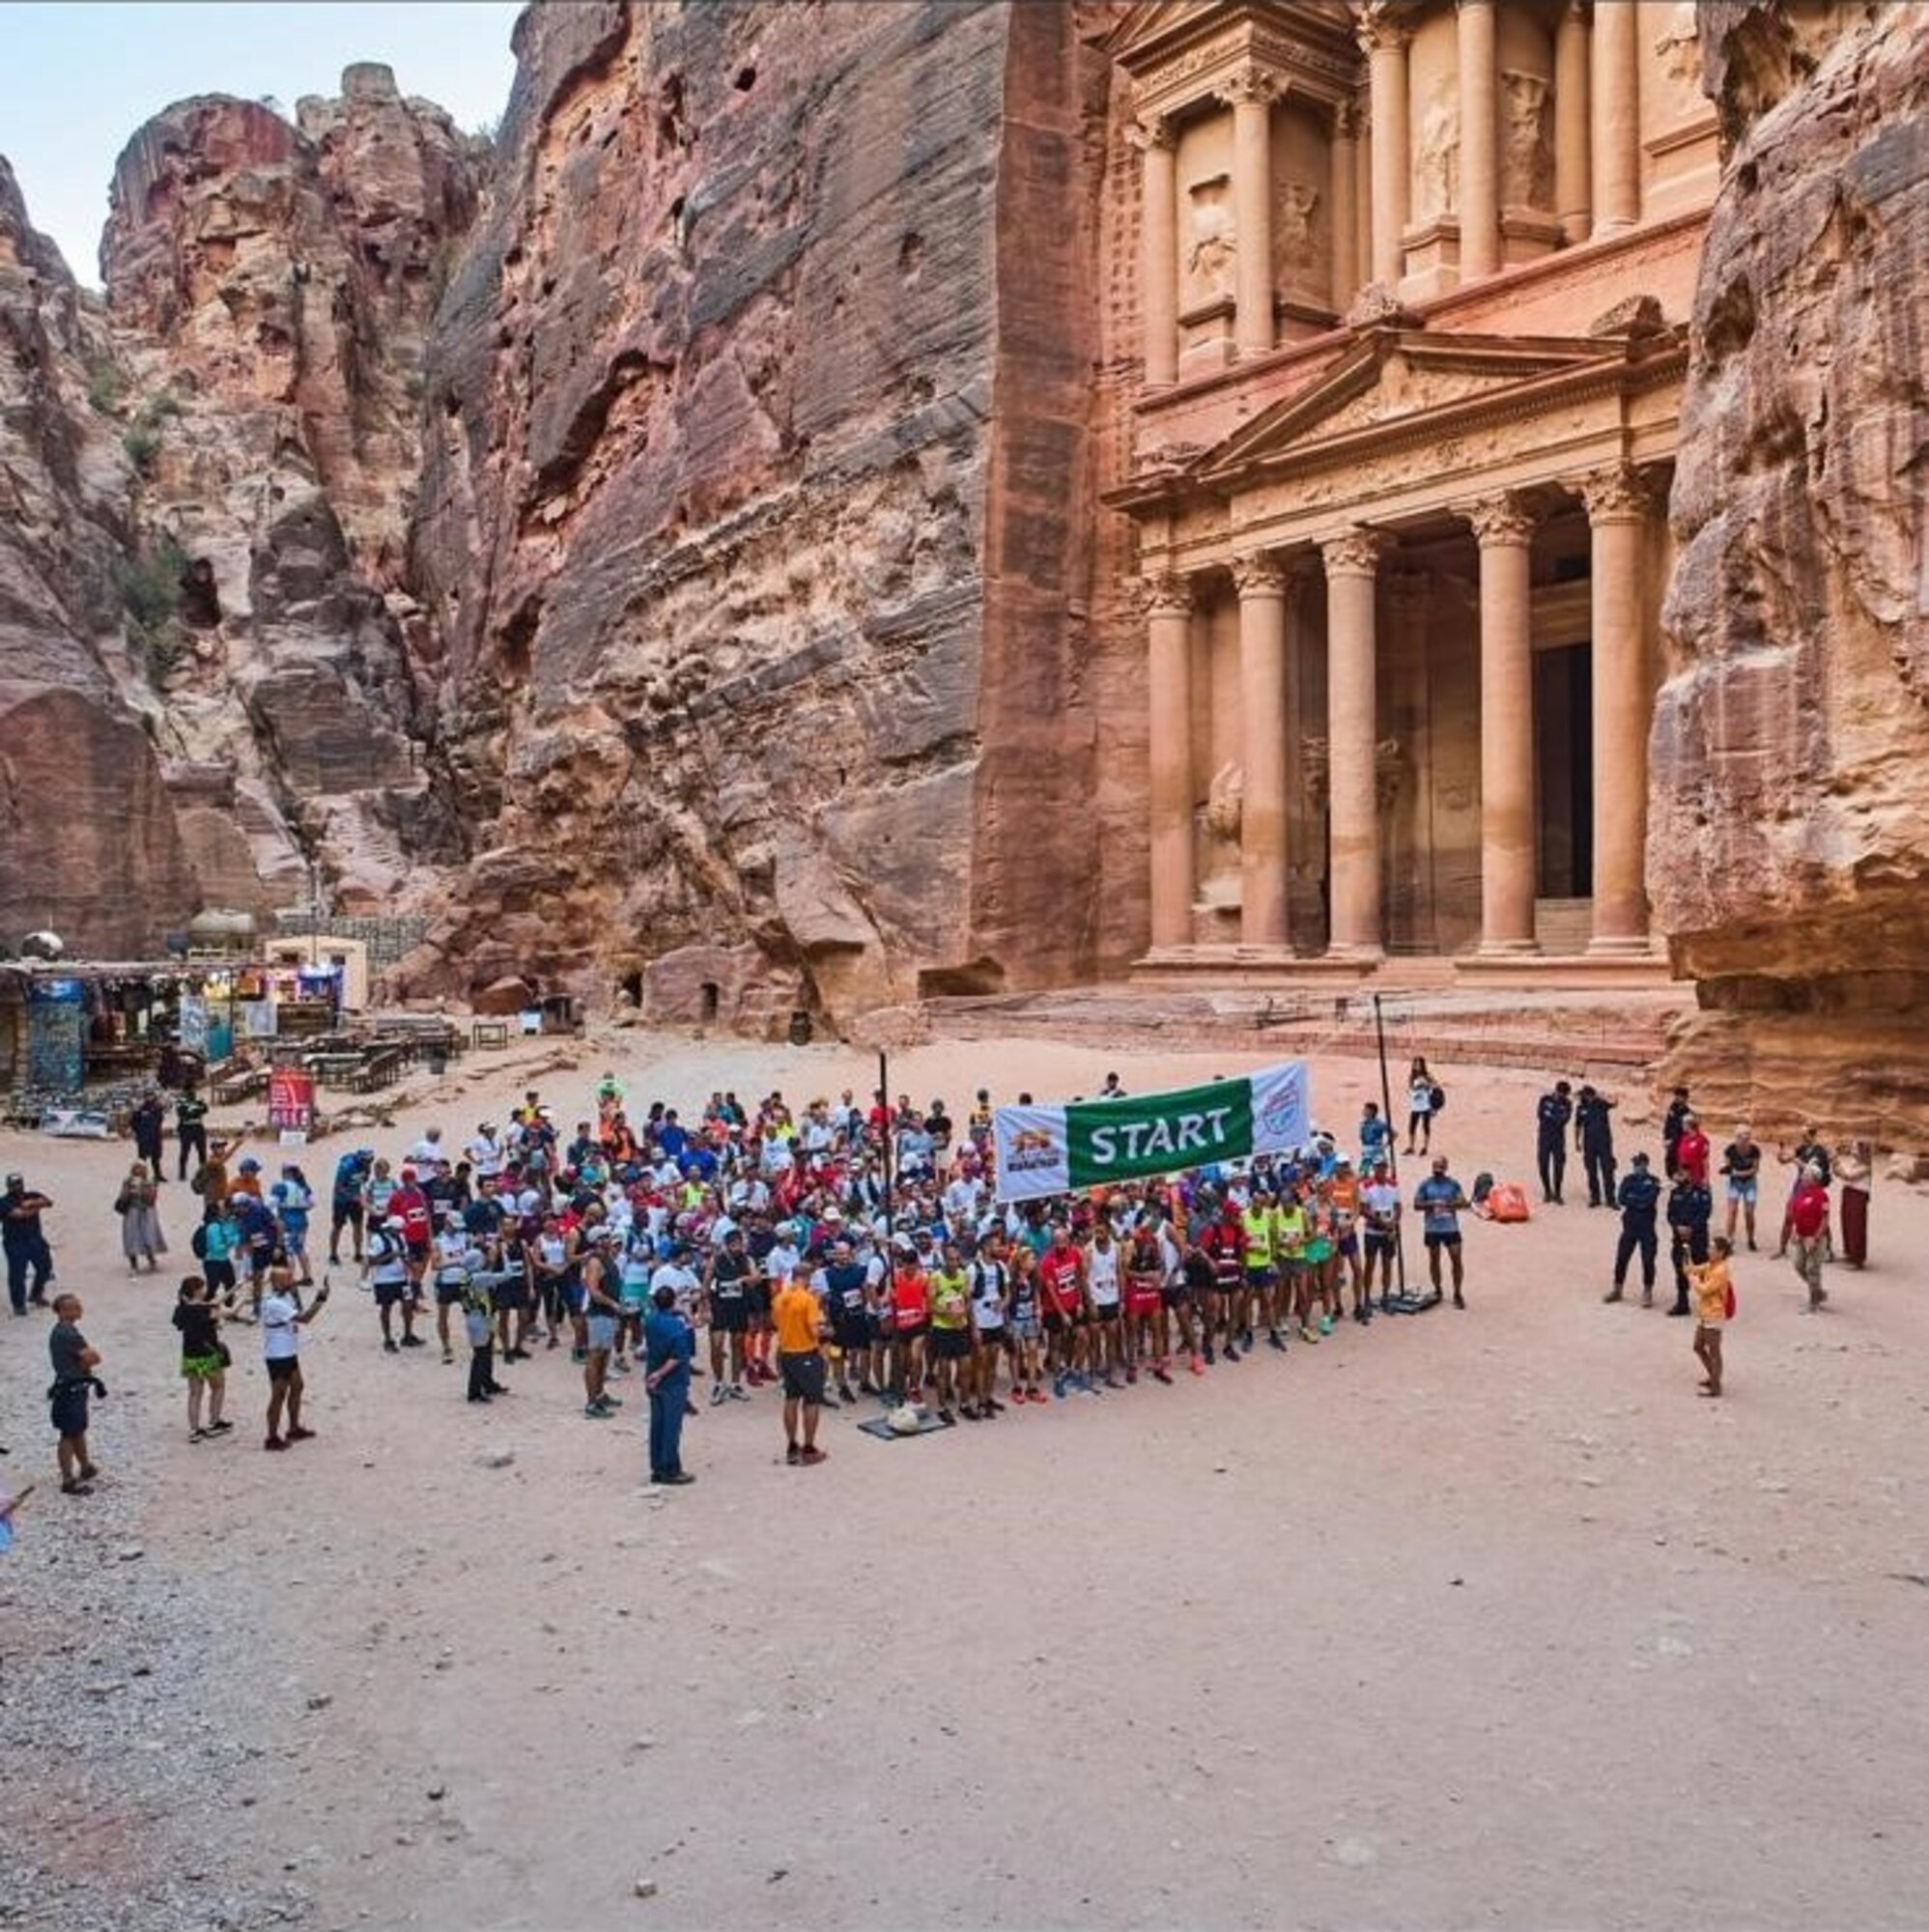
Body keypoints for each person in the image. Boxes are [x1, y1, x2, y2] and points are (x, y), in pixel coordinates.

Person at [261, 1264, 328, 1450]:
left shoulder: (285, 1296)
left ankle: (293, 1427)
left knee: (297, 1386)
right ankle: (272, 1437)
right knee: (278, 1394)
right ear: (276, 1282)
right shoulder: (274, 1303)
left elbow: (297, 1308)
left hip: (288, 1350)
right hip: (277, 1353)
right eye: (288, 1280)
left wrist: (295, 1293)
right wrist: (320, 1300)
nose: (292, 1282)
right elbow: (304, 1318)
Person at [772, 1266, 829, 1465]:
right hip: (806, 1353)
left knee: (791, 1399)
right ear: (805, 1278)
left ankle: (791, 1445)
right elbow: (815, 1332)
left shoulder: (779, 1299)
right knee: (812, 1401)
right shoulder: (808, 1299)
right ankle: (809, 1447)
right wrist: (826, 1330)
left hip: (787, 1354)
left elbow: (776, 1323)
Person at [643, 1283, 697, 1485]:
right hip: (671, 1381)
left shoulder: (650, 1321)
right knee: (671, 1427)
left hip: (652, 1376)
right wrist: (660, 1374)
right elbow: (676, 1357)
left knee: (657, 1424)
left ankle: (657, 1467)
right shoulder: (676, 1326)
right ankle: (670, 1469)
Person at [48, 1293, 101, 1495]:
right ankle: (68, 1478)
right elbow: (92, 1357)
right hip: (71, 1387)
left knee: (77, 1429)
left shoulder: (63, 1331)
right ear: (61, 1311)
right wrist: (88, 1359)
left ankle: (85, 1466)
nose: (78, 1309)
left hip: (72, 1386)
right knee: (69, 1433)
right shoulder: (69, 1334)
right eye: (73, 1307)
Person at [173, 1275, 234, 1441]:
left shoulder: (181, 1309)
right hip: (209, 1355)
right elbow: (227, 1313)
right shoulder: (207, 1310)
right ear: (198, 1291)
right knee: (218, 1387)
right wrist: (243, 1299)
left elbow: (179, 1323)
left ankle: (194, 1429)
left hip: (190, 1356)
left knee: (194, 1394)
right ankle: (214, 1422)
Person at [1411, 1156, 1469, 1308]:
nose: (1438, 1173)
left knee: (1456, 1257)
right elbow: (1416, 1204)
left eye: (1441, 1170)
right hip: (1432, 1228)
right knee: (1434, 1259)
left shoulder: (1453, 1184)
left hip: (1450, 1227)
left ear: (1445, 1169)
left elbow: (1463, 1202)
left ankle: (1457, 1292)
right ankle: (1438, 1289)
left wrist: (1449, 1204)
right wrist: (1431, 1204)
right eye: (1435, 1170)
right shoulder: (1425, 1184)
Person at [1605, 1151, 1661, 1305]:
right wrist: (1638, 1200)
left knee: (1648, 1260)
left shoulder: (1654, 1181)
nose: (1636, 1167)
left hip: (1647, 1228)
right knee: (1621, 1258)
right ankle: (1617, 1289)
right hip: (1630, 1226)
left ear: (1645, 1164)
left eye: (1638, 1164)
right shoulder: (1628, 1179)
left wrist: (1634, 1199)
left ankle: (1648, 1291)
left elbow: (1648, 1201)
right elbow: (1621, 1199)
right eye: (1635, 1164)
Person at [1688, 1236, 1734, 1398]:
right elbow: (1691, 1269)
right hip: (1706, 1314)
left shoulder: (1721, 1270)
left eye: (1712, 1248)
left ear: (1721, 1253)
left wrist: (1692, 1279)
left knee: (1714, 1352)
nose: (1708, 1250)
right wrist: (1686, 1254)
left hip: (1714, 1316)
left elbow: (1703, 1289)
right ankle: (1714, 1378)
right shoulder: (1711, 1265)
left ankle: (1716, 1386)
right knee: (1698, 1346)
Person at [4, 1174, 55, 1315]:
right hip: (15, 1242)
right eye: (13, 1185)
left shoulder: (32, 1194)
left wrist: (31, 1204)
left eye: (18, 1184)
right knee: (17, 1274)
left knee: (45, 1267)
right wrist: (37, 1206)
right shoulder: (4, 1202)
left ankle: (36, 1294)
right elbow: (19, 1214)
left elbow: (49, 1202)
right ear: (8, 1186)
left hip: (35, 1239)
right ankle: (18, 1305)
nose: (16, 1187)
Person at [1665, 1167, 1713, 1319]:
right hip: (1679, 1238)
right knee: (1680, 1269)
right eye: (1680, 1173)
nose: (1680, 1176)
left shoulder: (1703, 1193)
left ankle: (1708, 1303)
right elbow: (1670, 1214)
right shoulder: (1675, 1193)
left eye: (1684, 1173)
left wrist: (1691, 1228)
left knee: (1702, 1269)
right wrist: (1677, 1227)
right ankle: (1682, 1303)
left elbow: (1705, 1213)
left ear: (1692, 1175)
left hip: (1697, 1237)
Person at [1786, 1164, 1831, 1311]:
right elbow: (1795, 1214)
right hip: (1801, 1235)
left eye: (1806, 1175)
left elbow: (1825, 1219)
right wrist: (1794, 1230)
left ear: (1815, 1179)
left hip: (1815, 1237)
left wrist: (1816, 1238)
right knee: (1799, 1265)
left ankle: (1814, 1300)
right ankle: (1818, 1291)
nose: (1803, 1177)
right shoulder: (1800, 1193)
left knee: (1812, 1268)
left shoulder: (1822, 1195)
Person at [113, 1160, 165, 1274]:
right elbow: (122, 1197)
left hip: (147, 1213)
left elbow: (151, 1200)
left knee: (148, 1236)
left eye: (141, 1169)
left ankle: (151, 1258)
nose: (139, 1171)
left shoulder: (149, 1181)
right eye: (137, 1168)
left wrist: (148, 1189)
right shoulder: (128, 1181)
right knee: (132, 1238)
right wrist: (129, 1191)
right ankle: (133, 1263)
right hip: (132, 1213)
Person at [1719, 1125, 1763, 1250]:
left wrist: (1738, 1173)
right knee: (1732, 1211)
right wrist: (1729, 1171)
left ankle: (1750, 1238)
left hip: (1749, 1183)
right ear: (1737, 1138)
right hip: (1735, 1183)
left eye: (1747, 1139)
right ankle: (1729, 1240)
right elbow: (1728, 1168)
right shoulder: (1730, 1150)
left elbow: (1755, 1169)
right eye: (1742, 1139)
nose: (1745, 1142)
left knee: (1749, 1213)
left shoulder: (1754, 1150)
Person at [1574, 1086, 1617, 1208]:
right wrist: (1577, 1142)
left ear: (1590, 1095)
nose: (1582, 1097)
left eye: (1584, 1095)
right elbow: (1578, 1126)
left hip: (1604, 1142)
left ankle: (1611, 1199)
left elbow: (1615, 1103)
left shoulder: (1601, 1104)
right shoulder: (1580, 1108)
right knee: (1591, 1171)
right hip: (1589, 1143)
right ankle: (1595, 1198)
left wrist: (1603, 1095)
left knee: (1607, 1170)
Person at [1835, 1139, 1872, 1269]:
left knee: (1856, 1226)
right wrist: (1836, 1165)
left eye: (1855, 1149)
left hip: (1858, 1196)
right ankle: (1850, 1253)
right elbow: (1842, 1174)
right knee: (1847, 1223)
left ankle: (1858, 1259)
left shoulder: (1866, 1167)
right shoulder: (1855, 1163)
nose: (1852, 1151)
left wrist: (1836, 1162)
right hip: (1850, 1193)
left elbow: (1849, 1176)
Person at [1536, 1081, 1574, 1205]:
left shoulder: (1567, 1103)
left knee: (1559, 1167)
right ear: (1557, 1091)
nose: (1564, 1097)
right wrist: (1555, 1117)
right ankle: (1547, 1191)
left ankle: (1557, 1193)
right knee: (1543, 1165)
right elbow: (1540, 1115)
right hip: (1544, 1138)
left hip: (1558, 1139)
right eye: (1562, 1094)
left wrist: (1550, 1116)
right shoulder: (1545, 1099)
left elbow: (1563, 1121)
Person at [175, 1085, 210, 1180]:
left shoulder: (198, 1099)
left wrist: (193, 1111)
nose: (192, 1092)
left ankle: (203, 1172)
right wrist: (195, 1111)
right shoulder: (181, 1101)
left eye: (193, 1089)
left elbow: (205, 1109)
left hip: (198, 1127)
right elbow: (182, 1113)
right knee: (185, 1151)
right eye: (190, 1090)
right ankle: (182, 1172)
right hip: (186, 1128)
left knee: (202, 1151)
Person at [130, 1090, 166, 1179]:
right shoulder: (140, 1109)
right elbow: (133, 1122)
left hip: (155, 1136)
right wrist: (138, 1132)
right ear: (145, 1097)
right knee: (142, 1159)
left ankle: (158, 1175)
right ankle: (141, 1176)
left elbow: (160, 1120)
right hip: (144, 1137)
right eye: (148, 1096)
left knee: (156, 1157)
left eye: (151, 1095)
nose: (150, 1097)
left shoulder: (158, 1108)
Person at [1405, 1057, 1437, 1156]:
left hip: (1425, 1105)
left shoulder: (1428, 1076)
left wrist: (1427, 1085)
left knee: (1425, 1126)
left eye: (1419, 1064)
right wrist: (1414, 1090)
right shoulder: (1412, 1076)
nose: (1417, 1066)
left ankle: (1425, 1147)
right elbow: (1410, 1089)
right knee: (1411, 1127)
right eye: (1416, 1064)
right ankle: (1411, 1146)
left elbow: (1435, 1087)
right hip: (1415, 1105)